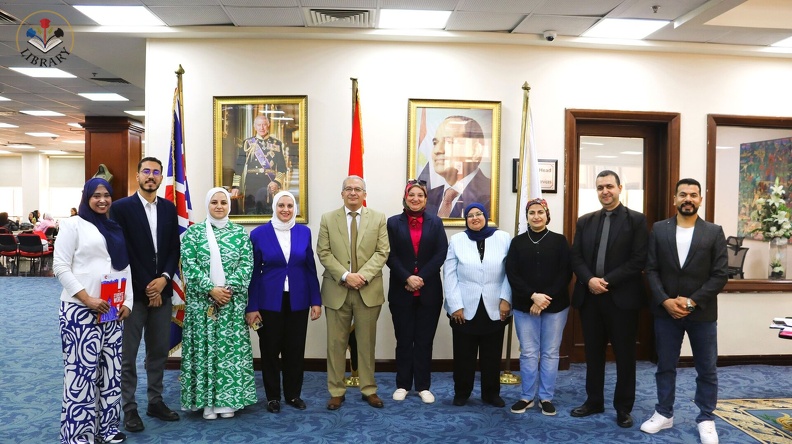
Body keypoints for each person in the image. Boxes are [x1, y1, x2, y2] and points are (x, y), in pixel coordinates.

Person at [640, 178, 728, 444]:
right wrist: (665, 301)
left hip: (702, 313)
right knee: (665, 365)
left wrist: (691, 302)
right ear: (674, 199)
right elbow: (651, 269)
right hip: (666, 313)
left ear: (700, 199)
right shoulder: (659, 229)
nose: (688, 199)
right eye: (683, 194)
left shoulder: (714, 232)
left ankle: (706, 418)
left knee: (706, 368)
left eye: (693, 194)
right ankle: (664, 413)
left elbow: (720, 274)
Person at [53, 177, 132, 444]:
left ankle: (107, 429)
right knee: (81, 374)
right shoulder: (72, 225)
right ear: (86, 197)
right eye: (96, 195)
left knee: (110, 372)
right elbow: (60, 266)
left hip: (111, 311)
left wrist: (128, 302)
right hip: (79, 311)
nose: (102, 200)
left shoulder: (114, 227)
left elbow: (124, 267)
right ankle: (78, 435)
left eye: (106, 195)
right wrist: (87, 298)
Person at [569, 170, 648, 428]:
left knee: (625, 356)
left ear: (619, 188)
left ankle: (623, 407)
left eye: (609, 186)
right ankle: (594, 401)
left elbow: (638, 259)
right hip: (590, 298)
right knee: (593, 354)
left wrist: (607, 281)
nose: (605, 191)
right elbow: (576, 257)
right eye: (600, 187)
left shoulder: (636, 220)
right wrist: (590, 280)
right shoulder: (585, 221)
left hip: (622, 299)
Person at [110, 157, 181, 432]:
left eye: (156, 172)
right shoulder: (121, 208)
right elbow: (121, 251)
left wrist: (164, 279)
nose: (151, 176)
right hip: (132, 295)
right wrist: (148, 287)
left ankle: (155, 401)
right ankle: (129, 408)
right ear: (138, 175)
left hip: (162, 291)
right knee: (127, 355)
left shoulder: (169, 208)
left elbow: (173, 249)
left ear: (161, 177)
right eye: (146, 171)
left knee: (158, 351)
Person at [180, 187, 256, 420]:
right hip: (201, 305)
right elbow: (189, 265)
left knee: (228, 353)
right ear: (207, 205)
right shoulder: (194, 233)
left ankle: (228, 402)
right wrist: (211, 289)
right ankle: (206, 404)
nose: (219, 206)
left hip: (231, 304)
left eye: (223, 202)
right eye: (214, 202)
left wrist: (227, 290)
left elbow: (247, 265)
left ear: (229, 205)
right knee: (205, 351)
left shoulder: (240, 233)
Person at [317, 175, 389, 411]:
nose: (353, 192)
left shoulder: (378, 218)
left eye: (358, 189)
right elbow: (323, 252)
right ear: (342, 194)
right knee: (335, 344)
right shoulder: (328, 218)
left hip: (368, 289)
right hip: (337, 288)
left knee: (366, 343)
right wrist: (346, 275)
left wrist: (362, 276)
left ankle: (369, 389)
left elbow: (382, 252)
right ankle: (336, 391)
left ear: (364, 194)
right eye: (348, 189)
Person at [245, 190, 322, 414]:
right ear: (274, 207)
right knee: (270, 350)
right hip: (269, 301)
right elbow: (253, 273)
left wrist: (316, 301)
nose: (285, 210)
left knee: (295, 349)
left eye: (289, 206)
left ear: (294, 209)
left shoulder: (304, 232)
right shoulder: (258, 234)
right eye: (281, 205)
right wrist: (252, 306)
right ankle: (273, 397)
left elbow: (310, 268)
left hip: (299, 299)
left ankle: (293, 394)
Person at [506, 198, 571, 416]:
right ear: (526, 217)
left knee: (550, 352)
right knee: (529, 352)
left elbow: (565, 273)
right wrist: (533, 296)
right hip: (525, 306)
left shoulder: (559, 241)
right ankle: (526, 397)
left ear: (547, 215)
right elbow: (512, 273)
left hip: (556, 306)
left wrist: (545, 299)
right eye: (532, 213)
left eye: (540, 212)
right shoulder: (517, 242)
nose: (536, 216)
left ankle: (546, 397)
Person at [386, 179, 448, 404]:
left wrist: (420, 278)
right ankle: (403, 384)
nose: (415, 198)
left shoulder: (436, 222)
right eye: (411, 195)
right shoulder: (393, 223)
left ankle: (423, 386)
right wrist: (407, 277)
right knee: (403, 340)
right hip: (401, 290)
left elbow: (441, 253)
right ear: (405, 197)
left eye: (420, 195)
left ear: (426, 199)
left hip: (429, 291)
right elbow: (389, 254)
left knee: (424, 341)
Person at [444, 202, 512, 407]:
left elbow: (511, 272)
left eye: (478, 214)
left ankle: (491, 393)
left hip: (496, 305)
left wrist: (506, 299)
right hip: (464, 307)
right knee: (463, 354)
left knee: (492, 354)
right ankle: (462, 392)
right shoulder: (457, 240)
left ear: (486, 216)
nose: (475, 218)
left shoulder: (503, 238)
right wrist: (455, 305)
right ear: (466, 220)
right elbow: (449, 274)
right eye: (470, 215)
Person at [424, 116, 491, 218]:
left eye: (449, 142)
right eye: (435, 143)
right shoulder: (428, 197)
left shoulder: (491, 194)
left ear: (475, 151)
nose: (438, 150)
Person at [231, 115, 288, 215]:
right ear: (254, 126)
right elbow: (239, 166)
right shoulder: (247, 143)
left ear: (268, 125)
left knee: (269, 213)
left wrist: (276, 182)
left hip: (269, 183)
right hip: (251, 184)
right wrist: (235, 186)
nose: (262, 127)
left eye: (264, 125)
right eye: (259, 125)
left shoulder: (276, 143)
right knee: (250, 212)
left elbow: (282, 168)